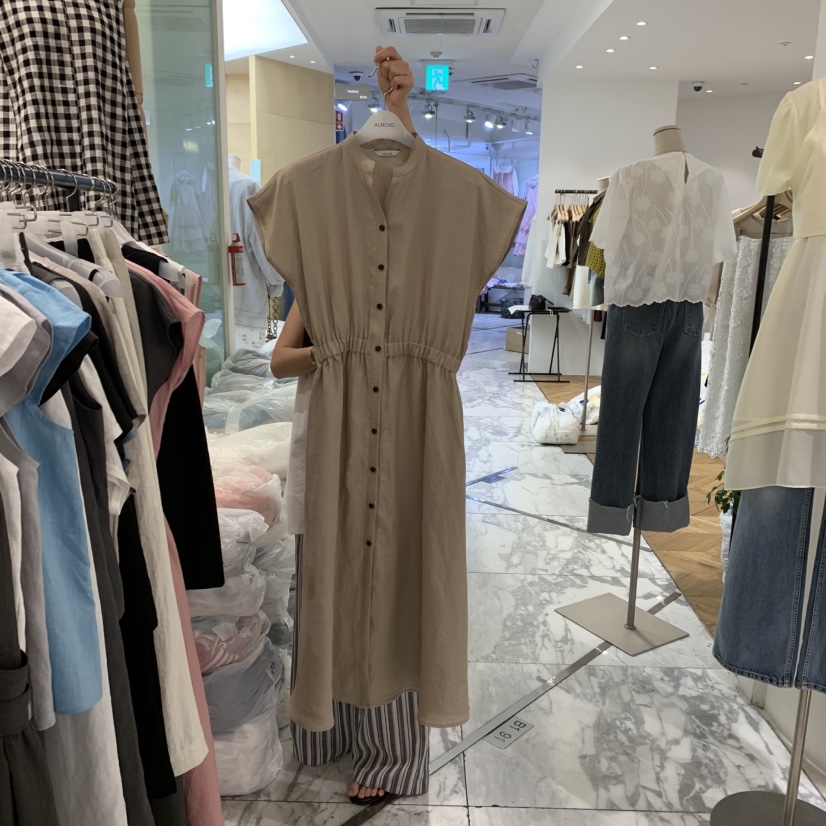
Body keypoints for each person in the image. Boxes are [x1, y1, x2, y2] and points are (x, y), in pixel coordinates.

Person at [270, 46, 422, 806]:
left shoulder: (409, 265)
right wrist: (335, 350)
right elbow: (281, 360)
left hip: (397, 446)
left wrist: (399, 106)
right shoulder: (321, 277)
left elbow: (422, 194)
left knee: (387, 595)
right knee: (326, 593)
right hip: (328, 449)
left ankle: (390, 754)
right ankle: (324, 733)